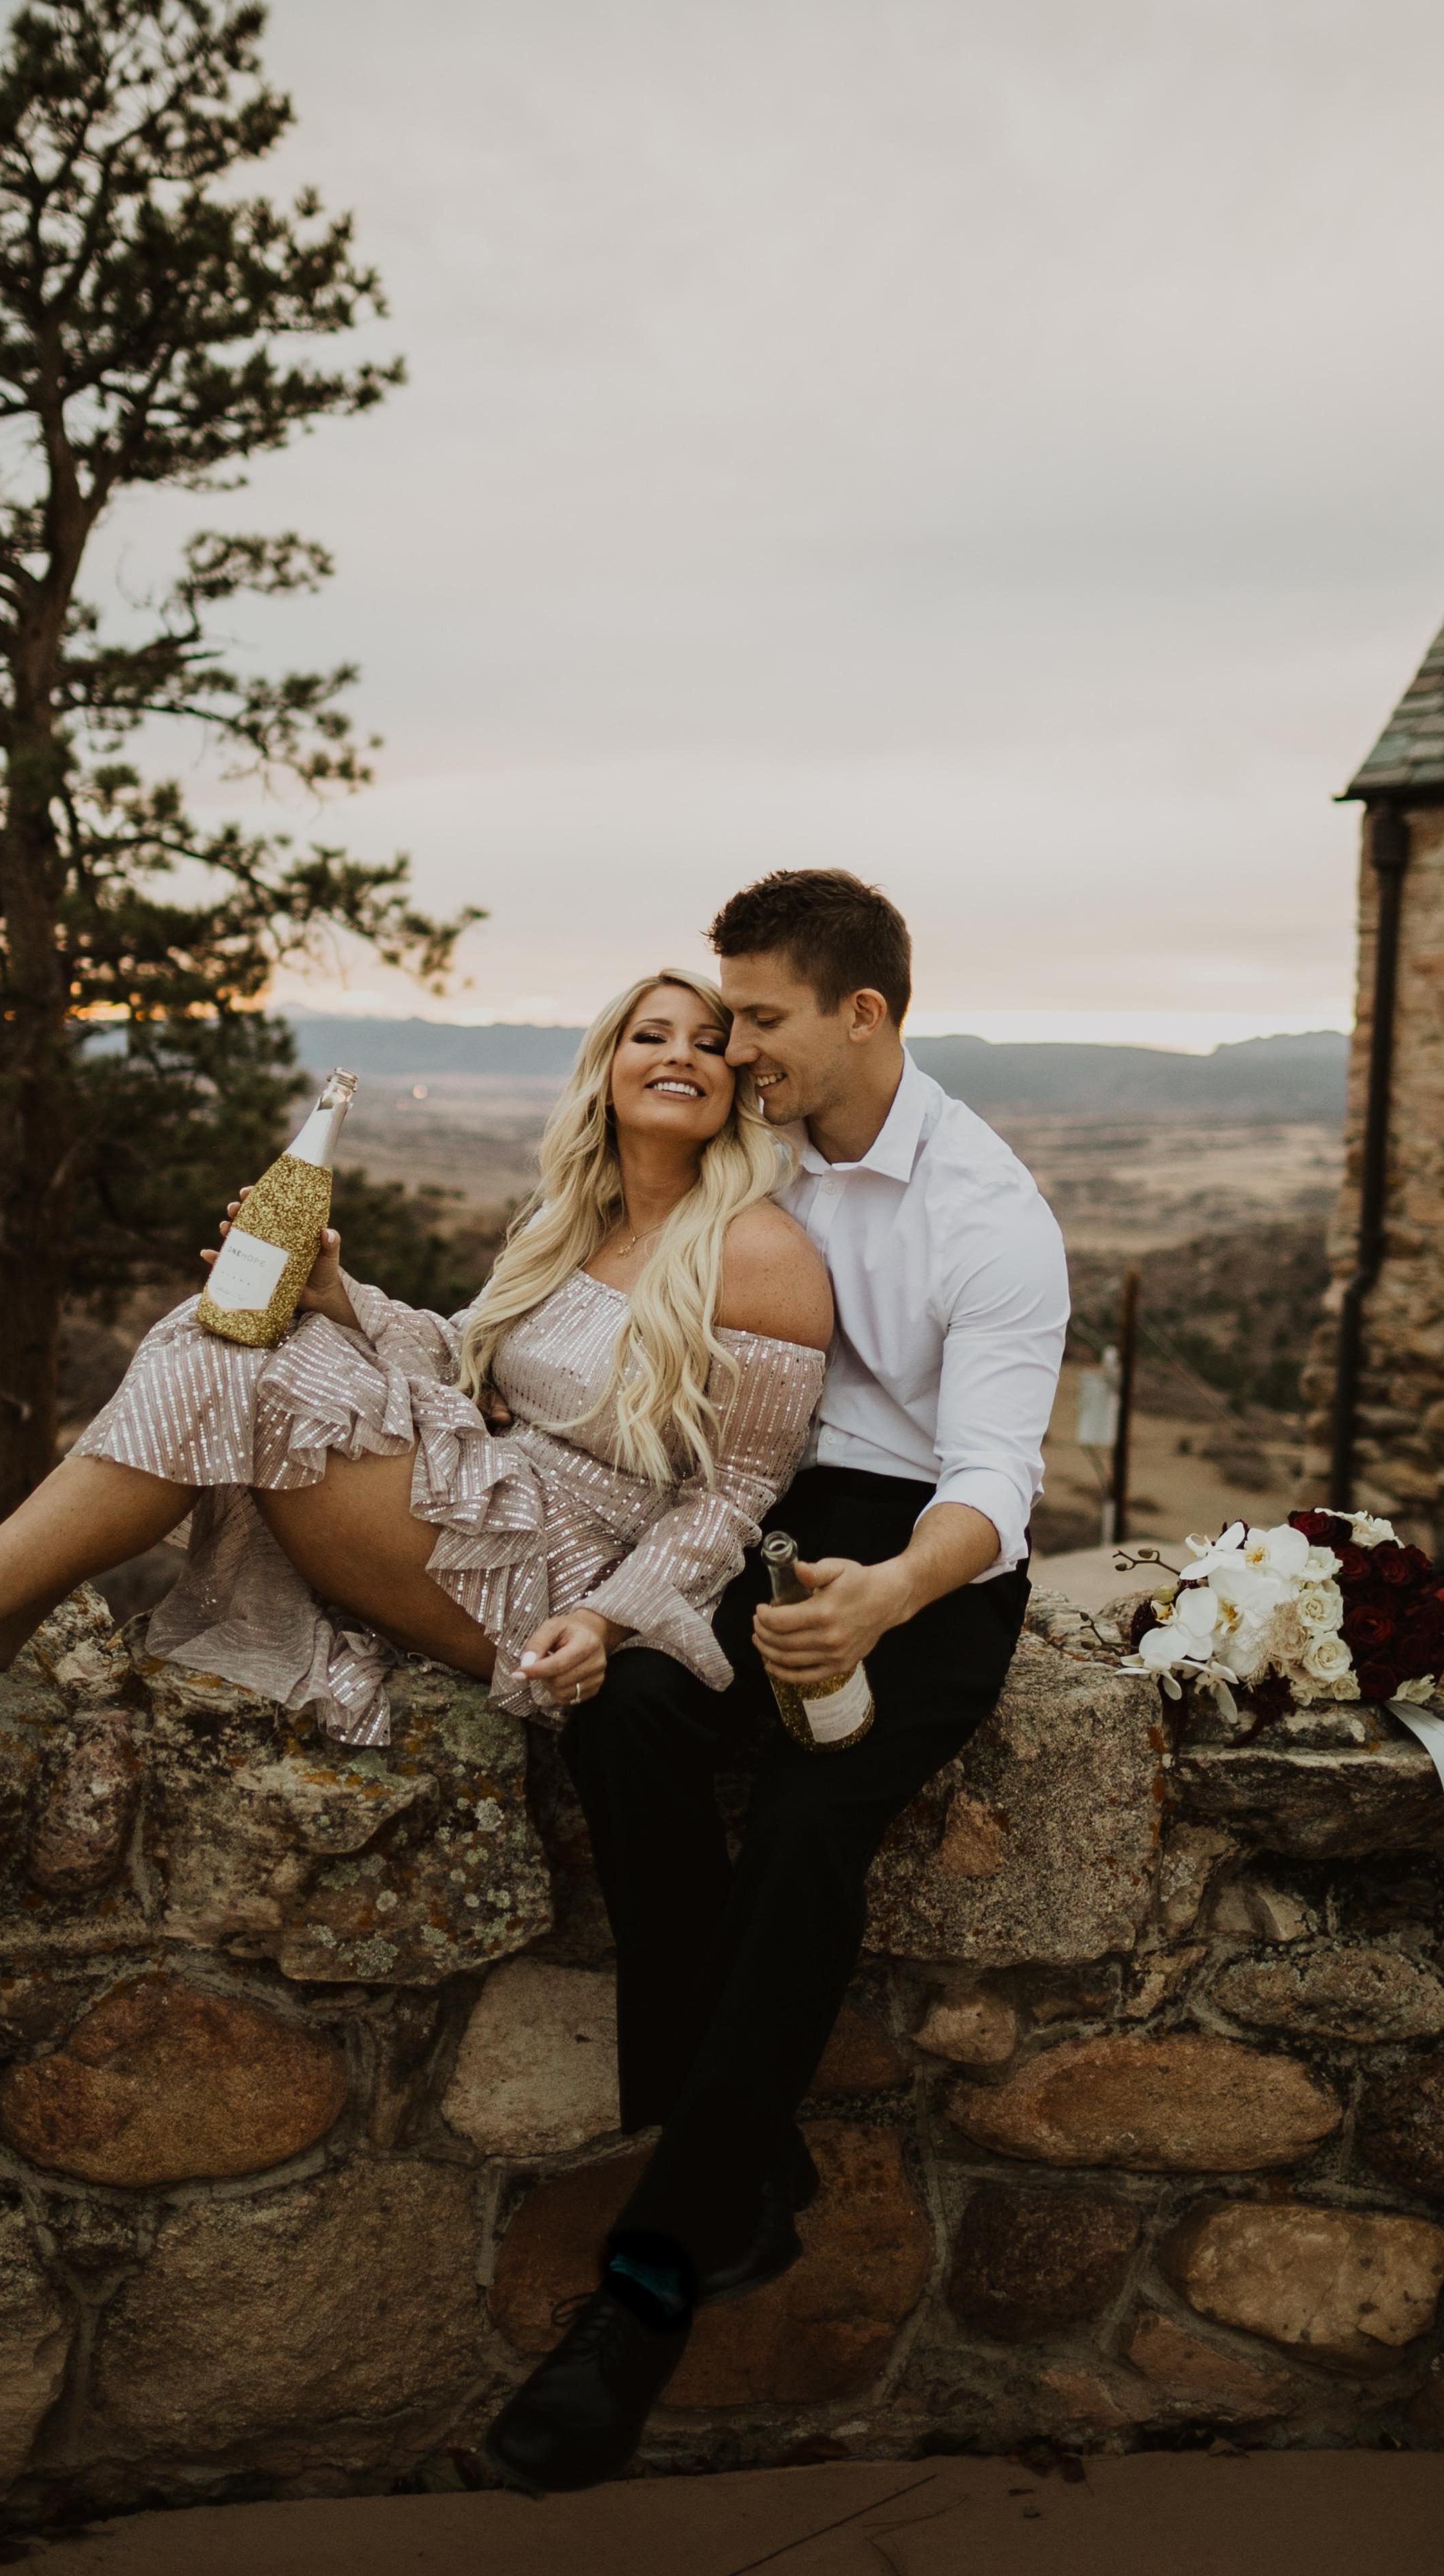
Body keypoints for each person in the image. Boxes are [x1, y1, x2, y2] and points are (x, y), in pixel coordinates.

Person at [476, 868, 1070, 2495]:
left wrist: (885, 1595)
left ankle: (647, 2289)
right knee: (628, 1706)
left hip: (931, 1566)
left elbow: (995, 1477)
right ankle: (748, 2164)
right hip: (774, 1521)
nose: (731, 1048)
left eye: (756, 1018)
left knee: (809, 1825)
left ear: (859, 1014)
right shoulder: (764, 1139)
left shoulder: (987, 1213)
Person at [0, 971, 833, 1750]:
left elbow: (736, 1497)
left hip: (562, 1584)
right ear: (607, 1068)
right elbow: (464, 1363)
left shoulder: (757, 1252)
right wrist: (336, 1295)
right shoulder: (571, 1226)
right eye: (652, 1035)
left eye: (710, 1044)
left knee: (255, 1363)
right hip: (489, 1499)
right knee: (231, 1322)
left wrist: (607, 1621)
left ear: (734, 1087)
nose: (682, 1055)